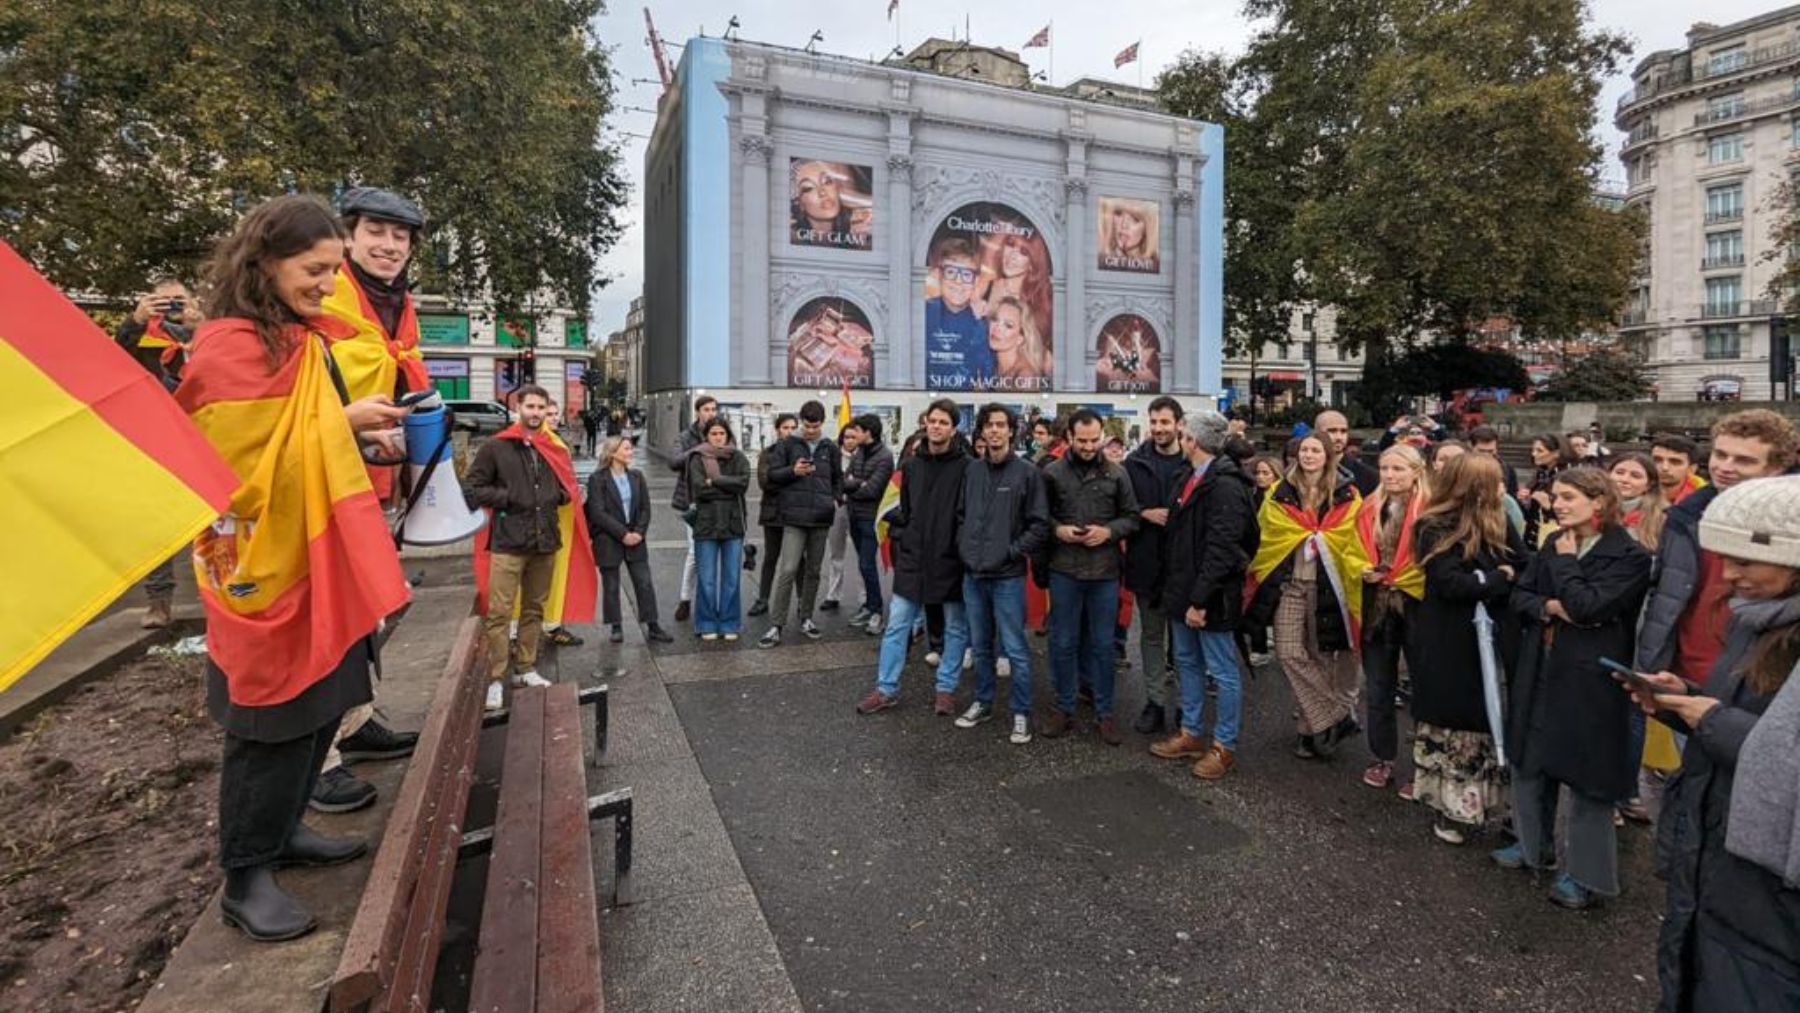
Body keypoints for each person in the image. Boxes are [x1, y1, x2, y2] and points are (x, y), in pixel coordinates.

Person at [176, 194, 411, 941]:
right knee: (270, 721)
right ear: (265, 264)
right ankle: (244, 875)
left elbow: (303, 439)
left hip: (320, 554)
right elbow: (235, 472)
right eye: (314, 270)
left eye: (332, 270)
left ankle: (285, 831)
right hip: (265, 567)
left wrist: (360, 437)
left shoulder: (301, 340)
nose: (325, 284)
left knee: (322, 705)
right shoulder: (228, 348)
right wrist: (343, 426)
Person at [1619, 475, 1800, 1012]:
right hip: (1713, 858)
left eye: (1746, 560)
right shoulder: (1754, 622)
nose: (1730, 574)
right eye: (1724, 558)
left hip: (1767, 905)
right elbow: (1746, 721)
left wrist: (1712, 721)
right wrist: (1686, 702)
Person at [1499, 467, 1652, 909]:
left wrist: (1565, 570)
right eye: (1556, 497)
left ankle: (1586, 875)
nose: (1558, 505)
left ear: (1599, 502)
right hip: (1542, 661)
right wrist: (1549, 605)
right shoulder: (1550, 543)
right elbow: (1521, 597)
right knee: (1530, 757)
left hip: (1590, 675)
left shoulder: (1630, 556)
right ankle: (1533, 848)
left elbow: (1589, 607)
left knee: (1588, 775)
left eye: (1568, 497)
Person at [1406, 454, 1524, 844]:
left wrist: (1492, 578)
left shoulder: (1500, 520)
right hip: (1450, 640)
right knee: (1456, 723)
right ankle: (1451, 810)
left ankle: (1496, 807)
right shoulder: (1434, 524)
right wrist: (1497, 577)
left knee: (1488, 720)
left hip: (1494, 638)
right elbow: (1450, 583)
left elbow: (1522, 566)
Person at [1637, 410, 1800, 688]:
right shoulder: (1682, 517)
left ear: (1777, 468)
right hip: (1681, 674)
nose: (1725, 467)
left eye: (1744, 460)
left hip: (1756, 682)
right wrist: (1651, 660)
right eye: (1720, 454)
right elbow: (1664, 593)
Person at [1245, 433, 1365, 759]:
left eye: (1315, 450)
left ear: (1328, 456)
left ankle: (1310, 731)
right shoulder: (1278, 492)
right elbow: (1267, 534)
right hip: (1290, 584)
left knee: (1320, 657)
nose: (1309, 455)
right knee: (1288, 652)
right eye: (1304, 450)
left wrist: (1321, 538)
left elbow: (1354, 538)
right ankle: (1338, 715)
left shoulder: (1346, 494)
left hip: (1327, 585)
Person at [1149, 411, 1255, 779]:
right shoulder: (1188, 476)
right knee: (1187, 663)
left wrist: (1199, 600)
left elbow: (1223, 548)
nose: (1178, 439)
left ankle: (1224, 746)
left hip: (1211, 597)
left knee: (1223, 672)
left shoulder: (1226, 485)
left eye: (1182, 434)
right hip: (1182, 590)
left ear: (1193, 440)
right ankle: (1191, 733)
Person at [857, 400, 972, 715]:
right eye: (932, 421)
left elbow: (968, 514)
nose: (936, 427)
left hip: (950, 560)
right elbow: (899, 509)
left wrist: (959, 549)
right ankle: (886, 688)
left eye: (943, 422)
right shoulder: (910, 465)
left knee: (955, 628)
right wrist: (903, 537)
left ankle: (946, 688)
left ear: (953, 427)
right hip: (913, 558)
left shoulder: (967, 467)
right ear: (926, 424)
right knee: (897, 625)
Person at [465, 385, 571, 710]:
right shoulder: (497, 447)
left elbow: (565, 486)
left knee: (534, 609)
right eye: (531, 406)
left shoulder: (551, 446)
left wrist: (559, 496)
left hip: (544, 540)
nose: (536, 413)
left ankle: (525, 667)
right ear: (518, 408)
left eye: (542, 407)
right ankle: (496, 677)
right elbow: (472, 487)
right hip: (509, 541)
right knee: (499, 612)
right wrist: (508, 498)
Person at [1041, 409, 1141, 743]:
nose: (1088, 446)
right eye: (1082, 441)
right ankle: (1064, 707)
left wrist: (1109, 532)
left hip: (1104, 572)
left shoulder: (1117, 473)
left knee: (1102, 645)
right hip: (1065, 569)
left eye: (1094, 440)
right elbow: (1041, 519)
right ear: (1069, 437)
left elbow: (1132, 517)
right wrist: (1060, 530)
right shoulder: (1052, 472)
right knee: (1062, 641)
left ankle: (1105, 712)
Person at [954, 404, 1051, 743]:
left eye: (1000, 425)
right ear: (981, 431)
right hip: (973, 574)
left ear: (1011, 431)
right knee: (980, 646)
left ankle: (1021, 712)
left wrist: (1009, 552)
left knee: (1015, 647)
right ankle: (983, 702)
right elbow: (962, 515)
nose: (994, 431)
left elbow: (1039, 525)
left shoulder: (1027, 473)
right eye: (989, 425)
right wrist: (965, 549)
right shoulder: (972, 471)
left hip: (1007, 575)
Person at [117, 277, 203, 629]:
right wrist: (136, 321)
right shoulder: (142, 339)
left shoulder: (206, 332)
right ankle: (159, 601)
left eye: (177, 301)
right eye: (163, 302)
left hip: (205, 434)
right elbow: (116, 357)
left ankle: (227, 590)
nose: (171, 309)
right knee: (157, 524)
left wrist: (201, 325)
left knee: (219, 521)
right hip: (158, 439)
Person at [1354, 445, 1430, 792]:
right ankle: (1382, 757)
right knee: (1378, 687)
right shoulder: (1369, 507)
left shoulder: (1432, 509)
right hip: (1377, 605)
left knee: (1424, 691)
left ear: (1416, 471)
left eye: (1398, 469)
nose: (1389, 475)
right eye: (1384, 468)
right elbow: (1349, 549)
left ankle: (1424, 766)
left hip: (1417, 606)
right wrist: (1360, 568)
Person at [1123, 396, 1188, 735]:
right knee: (1151, 637)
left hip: (1182, 568)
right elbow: (1121, 508)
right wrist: (1143, 513)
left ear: (1179, 423)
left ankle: (1185, 707)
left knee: (1183, 643)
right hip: (1146, 563)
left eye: (1165, 422)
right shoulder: (1134, 463)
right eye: (1155, 421)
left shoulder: (1194, 461)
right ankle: (1155, 702)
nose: (1159, 428)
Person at [760, 400, 843, 647]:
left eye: (815, 426)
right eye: (806, 425)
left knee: (814, 572)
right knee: (788, 570)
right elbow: (772, 477)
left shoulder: (830, 447)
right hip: (794, 517)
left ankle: (806, 617)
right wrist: (792, 472)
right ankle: (776, 624)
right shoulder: (787, 445)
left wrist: (836, 498)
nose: (810, 430)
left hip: (821, 517)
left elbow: (837, 478)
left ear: (822, 422)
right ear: (801, 421)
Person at [585, 435, 674, 645]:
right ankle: (616, 626)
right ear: (613, 452)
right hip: (608, 539)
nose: (631, 452)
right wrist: (623, 534)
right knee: (612, 585)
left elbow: (645, 508)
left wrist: (638, 533)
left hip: (636, 538)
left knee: (644, 582)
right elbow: (597, 513)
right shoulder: (598, 479)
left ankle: (653, 625)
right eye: (626, 449)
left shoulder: (636, 476)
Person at [686, 418, 752, 640]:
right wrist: (726, 485)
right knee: (707, 578)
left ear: (728, 435)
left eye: (721, 433)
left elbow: (742, 485)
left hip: (733, 523)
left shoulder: (738, 457)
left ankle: (729, 622)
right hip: (706, 523)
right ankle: (706, 623)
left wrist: (713, 481)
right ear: (707, 436)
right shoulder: (697, 457)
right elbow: (698, 490)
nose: (718, 437)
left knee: (732, 577)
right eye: (713, 433)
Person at [841, 414, 895, 631]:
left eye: (858, 431)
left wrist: (855, 485)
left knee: (867, 564)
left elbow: (873, 490)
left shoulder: (884, 456)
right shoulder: (859, 453)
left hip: (871, 518)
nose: (854, 435)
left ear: (868, 433)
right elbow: (843, 481)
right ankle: (870, 606)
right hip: (855, 514)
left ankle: (877, 611)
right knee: (864, 564)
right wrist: (856, 484)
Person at [669, 395, 719, 623]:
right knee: (694, 553)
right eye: (706, 409)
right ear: (698, 412)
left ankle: (709, 601)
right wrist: (699, 449)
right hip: (692, 500)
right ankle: (685, 599)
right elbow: (674, 462)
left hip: (718, 500)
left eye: (714, 409)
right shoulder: (686, 436)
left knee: (715, 551)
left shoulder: (721, 432)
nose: (711, 413)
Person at [924, 239, 995, 389]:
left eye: (966, 275)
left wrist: (979, 322)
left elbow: (987, 376)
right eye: (951, 272)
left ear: (975, 281)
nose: (958, 281)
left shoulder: (985, 322)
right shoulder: (922, 314)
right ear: (938, 275)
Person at [748, 413, 798, 617]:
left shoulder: (801, 451)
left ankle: (802, 601)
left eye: (793, 427)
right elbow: (765, 482)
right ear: (778, 429)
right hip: (773, 511)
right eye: (785, 427)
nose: (789, 431)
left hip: (796, 512)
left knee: (797, 560)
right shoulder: (768, 453)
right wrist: (791, 476)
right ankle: (763, 598)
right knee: (771, 557)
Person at [819, 428, 859, 614]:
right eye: (846, 437)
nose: (849, 441)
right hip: (838, 506)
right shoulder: (834, 455)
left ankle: (866, 598)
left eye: (853, 437)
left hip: (860, 507)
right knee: (836, 554)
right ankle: (833, 595)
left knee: (863, 555)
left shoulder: (865, 456)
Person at [1522, 432, 1580, 548]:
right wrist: (1526, 499)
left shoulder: (1569, 476)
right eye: (1533, 450)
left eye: (1540, 451)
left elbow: (1577, 510)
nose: (1534, 454)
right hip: (1536, 534)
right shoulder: (1541, 474)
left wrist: (1549, 507)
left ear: (1556, 453)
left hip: (1558, 538)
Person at [984, 296, 1052, 390]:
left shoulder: (1024, 377)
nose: (997, 328)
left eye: (1008, 325)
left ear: (1020, 338)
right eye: (995, 319)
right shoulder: (990, 363)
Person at [1611, 452, 1669, 553]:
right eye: (1619, 473)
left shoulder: (1662, 517)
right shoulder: (1589, 509)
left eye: (1635, 476)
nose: (1625, 480)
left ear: (1649, 484)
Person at [1314, 409, 1377, 495]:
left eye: (1343, 431)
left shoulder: (1368, 476)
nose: (1339, 437)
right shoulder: (1298, 473)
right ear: (1317, 433)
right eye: (1332, 431)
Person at [1650, 433, 1706, 505]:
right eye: (1657, 460)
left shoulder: (1705, 499)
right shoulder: (1635, 490)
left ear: (1692, 469)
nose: (1664, 468)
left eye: (1675, 462)